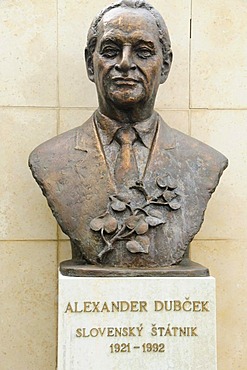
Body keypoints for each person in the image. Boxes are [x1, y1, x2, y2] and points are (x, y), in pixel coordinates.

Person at [29, 0, 227, 274]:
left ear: (165, 66)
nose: (124, 63)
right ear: (90, 64)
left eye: (143, 52)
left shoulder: (204, 161)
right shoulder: (49, 159)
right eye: (110, 51)